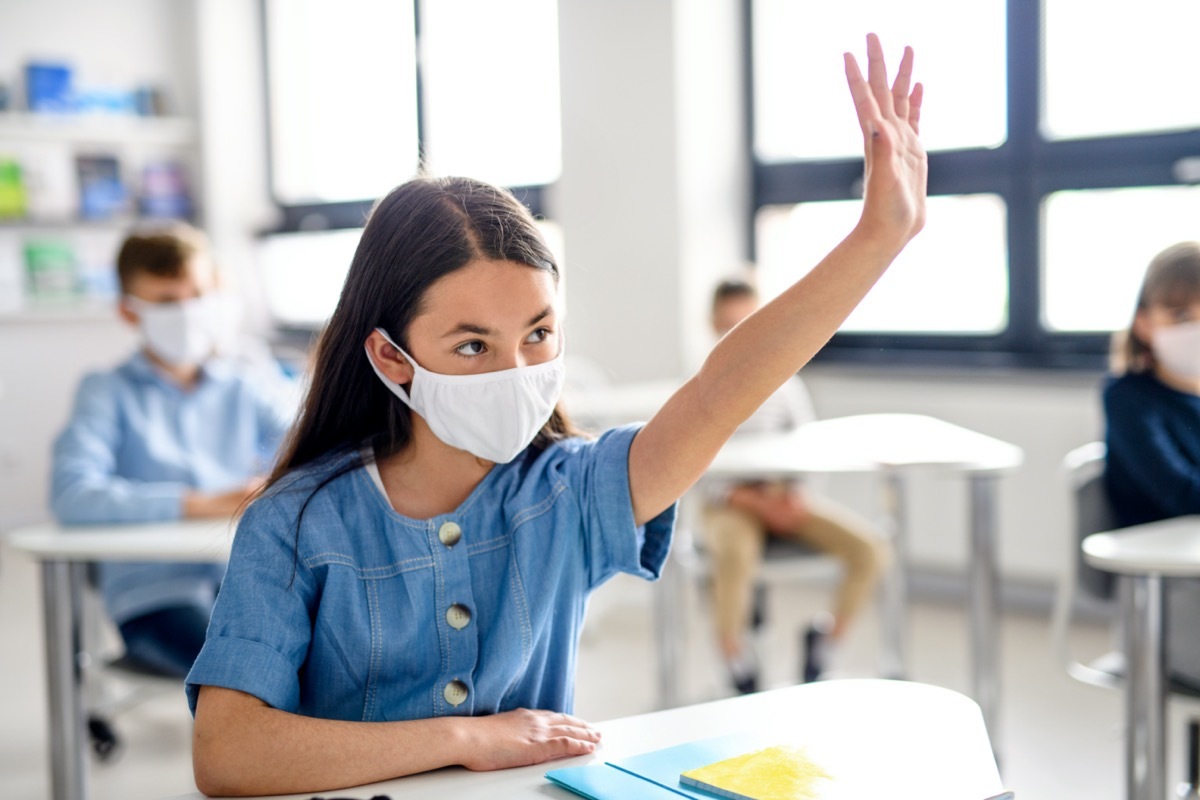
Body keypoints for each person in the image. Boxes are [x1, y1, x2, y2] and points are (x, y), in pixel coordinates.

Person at [186, 33, 926, 796]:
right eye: (472, 346)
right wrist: (464, 739)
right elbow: (228, 753)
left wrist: (876, 240)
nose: (515, 372)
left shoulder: (569, 493)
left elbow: (718, 392)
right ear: (392, 358)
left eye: (538, 334)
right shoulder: (295, 523)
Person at [50, 221, 297, 679]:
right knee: (252, 674)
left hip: (244, 584)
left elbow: (310, 447)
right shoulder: (106, 391)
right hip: (155, 598)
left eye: (197, 295)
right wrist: (202, 504)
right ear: (129, 312)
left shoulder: (244, 383)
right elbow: (72, 495)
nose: (187, 312)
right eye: (166, 302)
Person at [703, 278, 890, 693]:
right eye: (730, 324)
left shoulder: (785, 383)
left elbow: (806, 446)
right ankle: (735, 657)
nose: (740, 333)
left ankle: (826, 643)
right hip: (729, 502)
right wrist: (749, 500)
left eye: (749, 321)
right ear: (713, 324)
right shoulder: (699, 383)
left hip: (783, 496)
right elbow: (692, 466)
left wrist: (793, 498)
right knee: (737, 553)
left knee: (869, 550)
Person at [1103, 240, 1200, 689]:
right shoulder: (1129, 399)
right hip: (1169, 591)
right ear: (1144, 323)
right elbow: (1182, 494)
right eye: (1180, 315)